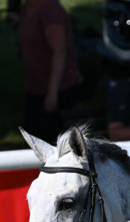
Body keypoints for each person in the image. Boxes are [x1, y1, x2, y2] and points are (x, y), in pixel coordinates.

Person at [17, 0, 83, 142]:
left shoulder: (50, 10)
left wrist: (52, 94)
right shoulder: (27, 8)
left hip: (57, 92)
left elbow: (60, 51)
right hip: (36, 90)